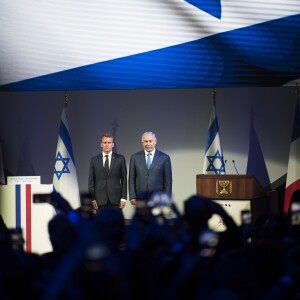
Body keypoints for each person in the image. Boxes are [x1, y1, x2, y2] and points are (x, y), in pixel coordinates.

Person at [129, 131, 172, 205]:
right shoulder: (134, 157)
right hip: (140, 198)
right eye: (145, 141)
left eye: (150, 141)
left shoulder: (164, 158)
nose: (148, 144)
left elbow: (168, 181)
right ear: (142, 143)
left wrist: (167, 198)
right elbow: (131, 179)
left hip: (158, 198)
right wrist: (132, 196)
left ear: (155, 141)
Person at [88, 134, 127, 212]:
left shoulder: (120, 159)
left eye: (109, 142)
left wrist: (123, 198)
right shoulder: (94, 160)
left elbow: (124, 179)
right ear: (101, 144)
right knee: (100, 223)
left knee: (115, 223)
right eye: (105, 142)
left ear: (113, 144)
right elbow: (91, 181)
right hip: (99, 200)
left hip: (116, 200)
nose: (107, 145)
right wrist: (93, 198)